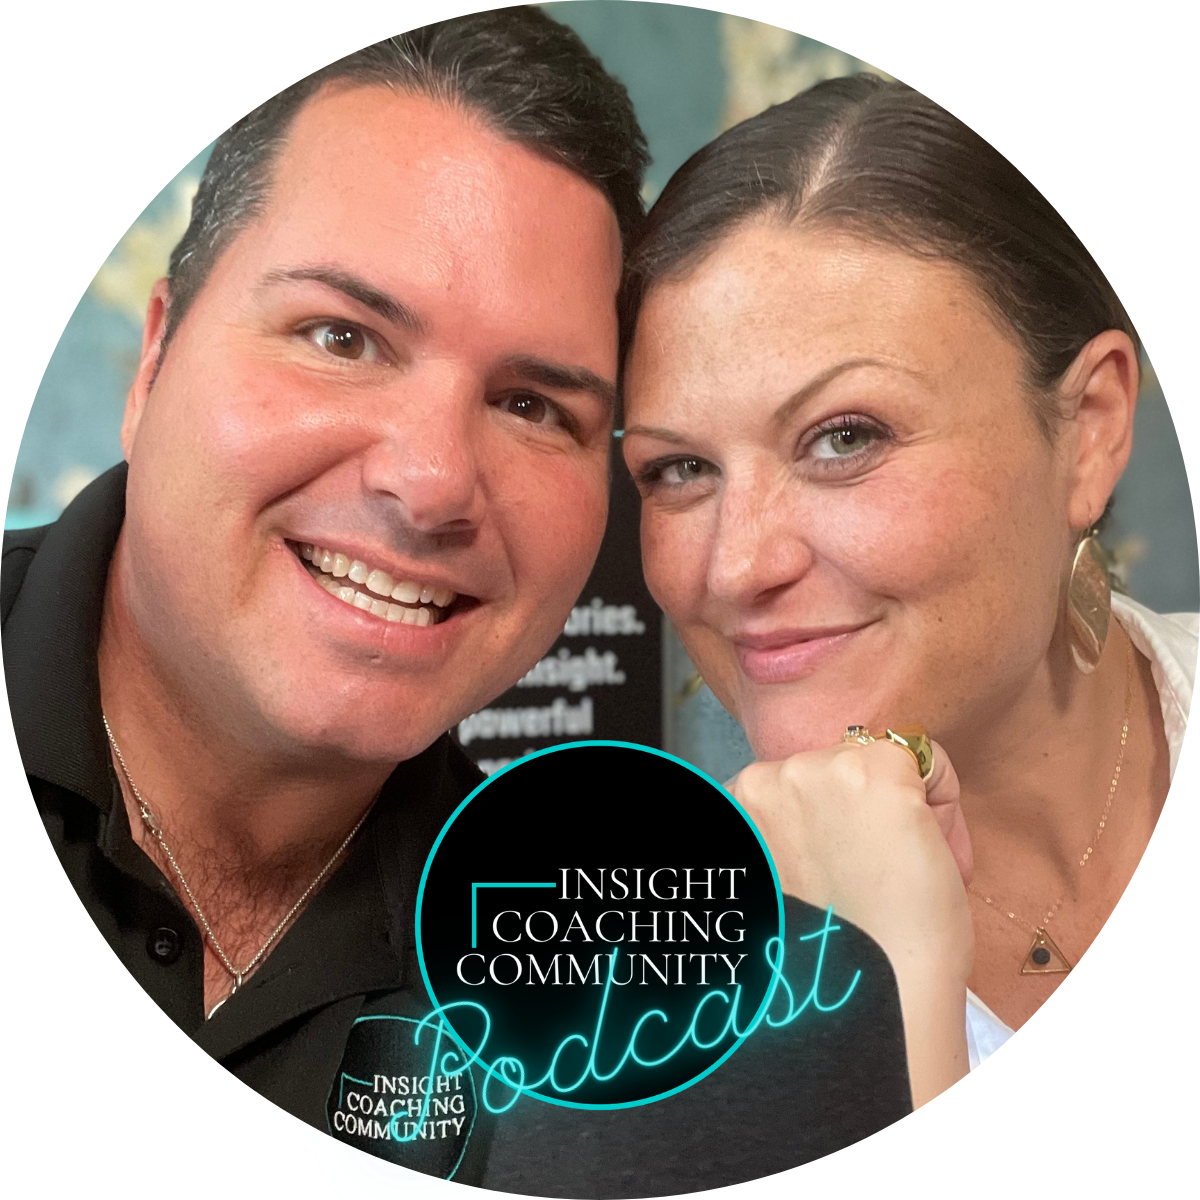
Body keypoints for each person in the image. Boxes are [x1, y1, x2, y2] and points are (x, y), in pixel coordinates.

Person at [5, 16, 927, 1195]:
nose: (433, 482)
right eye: (341, 337)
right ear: (154, 362)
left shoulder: (601, 1001)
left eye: (534, 406)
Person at [619, 71, 1193, 1103]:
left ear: (1089, 431)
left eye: (845, 438)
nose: (735, 568)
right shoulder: (634, 1004)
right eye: (679, 470)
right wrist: (860, 991)